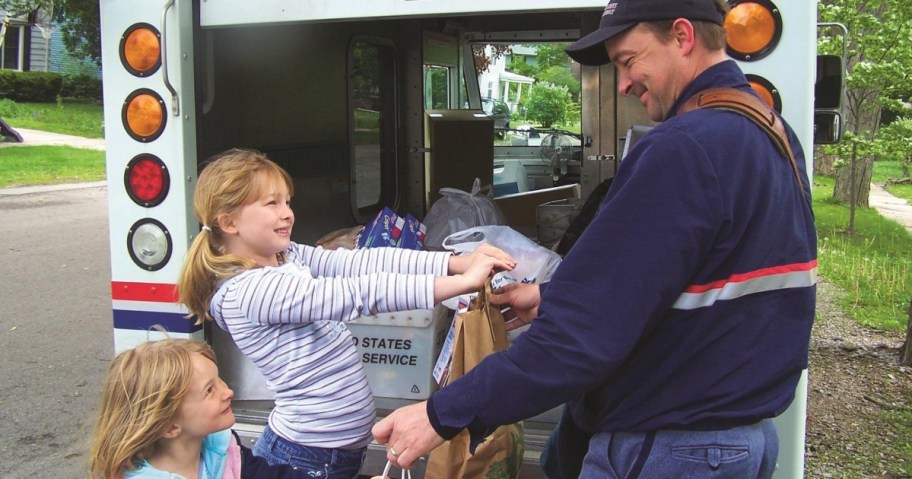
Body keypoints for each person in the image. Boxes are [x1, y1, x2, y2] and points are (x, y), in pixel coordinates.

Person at [371, 0, 817, 477]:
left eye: (629, 60)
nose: (623, 83)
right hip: (735, 442)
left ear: (682, 36)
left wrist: (441, 414)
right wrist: (552, 295)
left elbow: (580, 338)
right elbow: (694, 276)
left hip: (670, 449)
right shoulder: (770, 132)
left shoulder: (683, 149)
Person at [176, 149, 515, 478]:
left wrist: (455, 262)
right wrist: (461, 283)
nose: (287, 213)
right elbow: (358, 294)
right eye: (271, 203)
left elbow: (360, 261)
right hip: (305, 457)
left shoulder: (286, 256)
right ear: (229, 222)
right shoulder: (248, 290)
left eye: (287, 202)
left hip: (327, 453)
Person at [87, 338, 308, 479]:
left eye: (220, 380)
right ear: (170, 426)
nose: (228, 392)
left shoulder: (223, 452)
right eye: (209, 390)